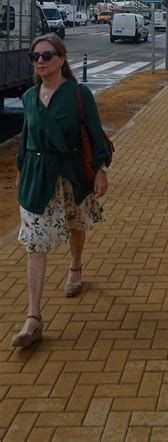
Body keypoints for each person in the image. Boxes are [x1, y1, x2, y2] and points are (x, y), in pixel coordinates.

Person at [11, 34, 111, 348]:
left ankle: (76, 266)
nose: (40, 61)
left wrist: (100, 171)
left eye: (47, 55)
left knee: (76, 224)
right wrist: (19, 171)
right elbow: (25, 138)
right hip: (37, 177)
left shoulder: (79, 94)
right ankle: (33, 317)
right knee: (34, 244)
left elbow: (96, 135)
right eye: (34, 56)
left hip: (71, 175)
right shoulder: (28, 97)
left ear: (62, 58)